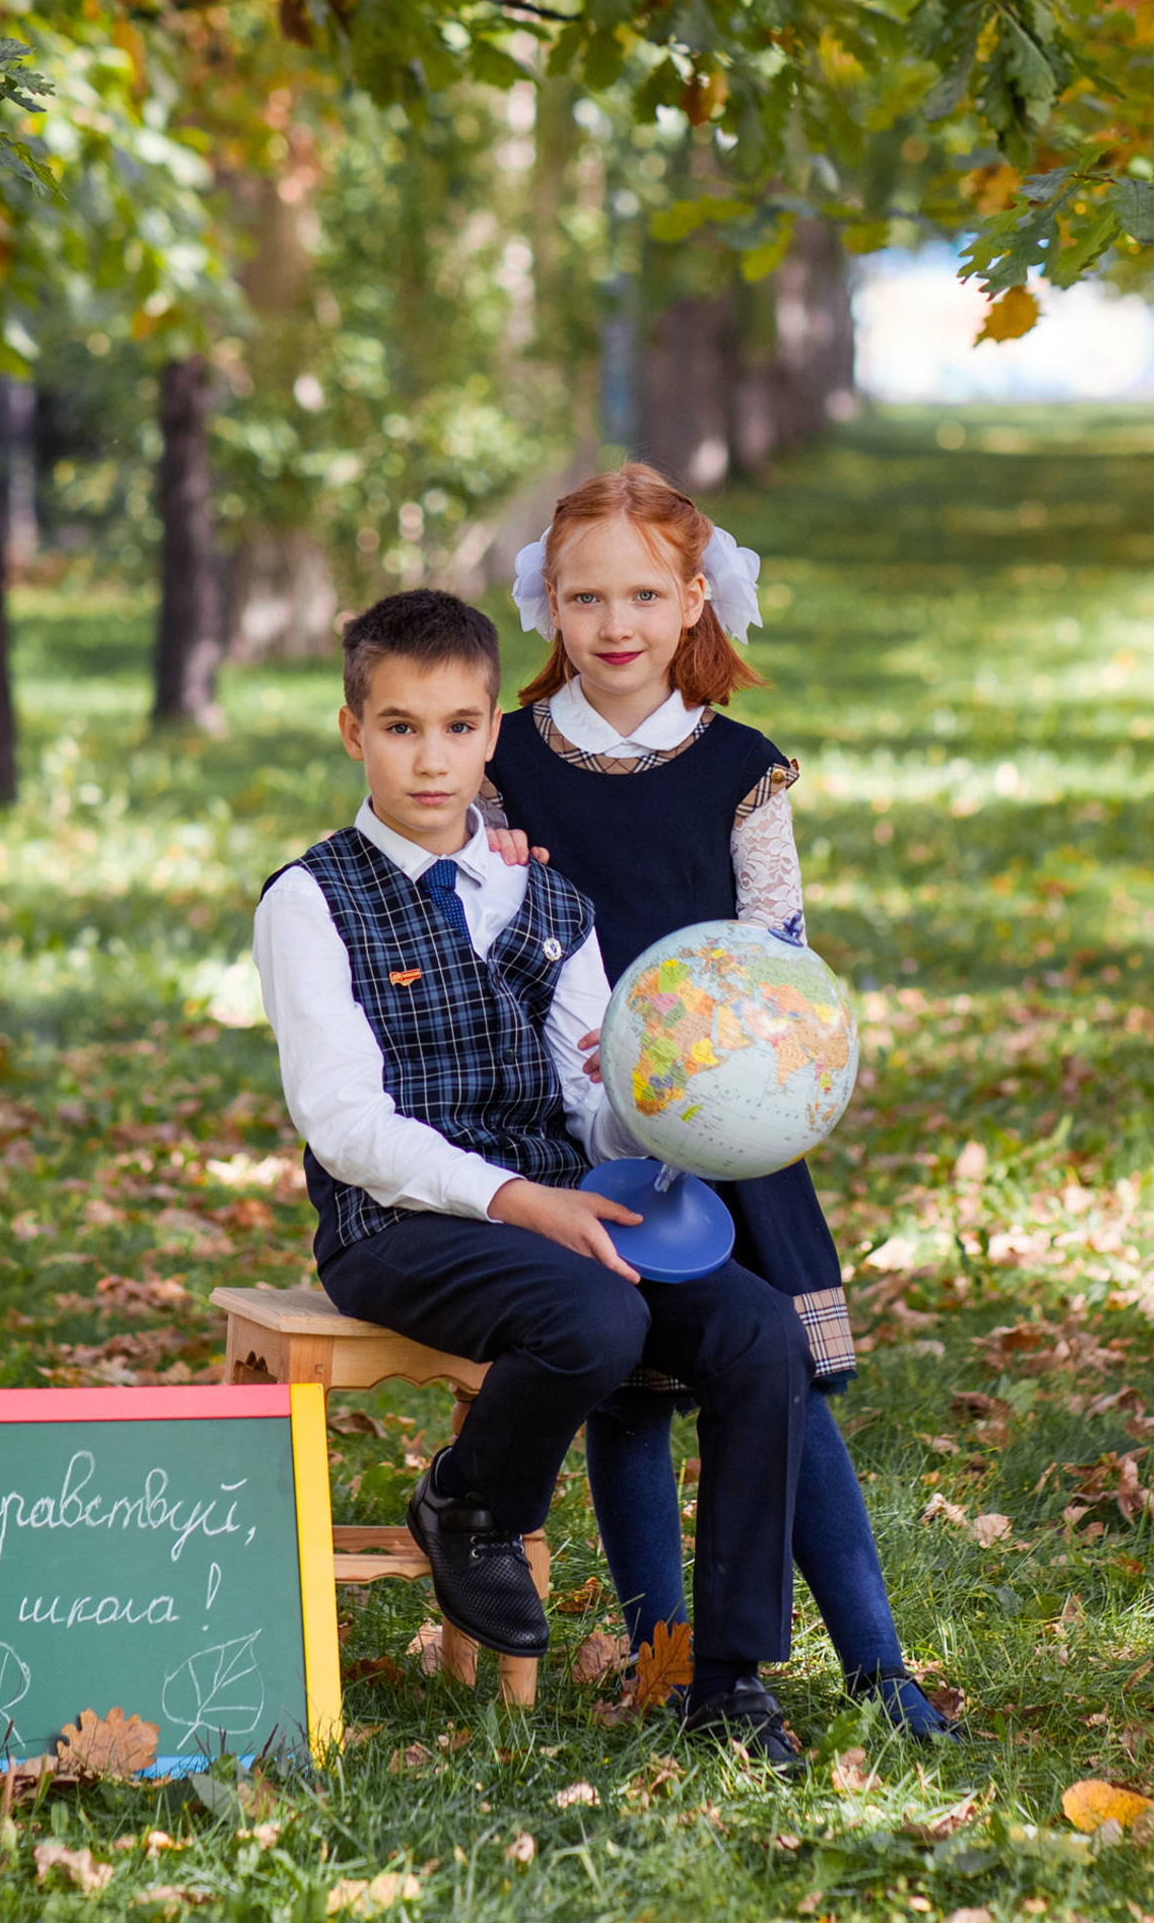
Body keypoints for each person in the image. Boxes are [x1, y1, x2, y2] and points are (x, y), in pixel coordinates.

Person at [251, 586, 811, 1766]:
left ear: (491, 734)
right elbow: (344, 1123)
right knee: (594, 1313)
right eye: (400, 726)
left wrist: (659, 1092)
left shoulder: (543, 894)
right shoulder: (312, 899)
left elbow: (589, 1111)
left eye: (458, 725)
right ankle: (469, 1498)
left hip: (561, 1206)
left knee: (760, 1333)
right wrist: (517, 1200)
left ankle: (729, 1679)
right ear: (352, 731)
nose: (431, 757)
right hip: (400, 1224)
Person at [480, 465, 952, 1737]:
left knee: (779, 1381)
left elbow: (776, 943)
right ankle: (670, 1662)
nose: (615, 621)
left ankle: (878, 1663)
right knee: (627, 1402)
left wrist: (748, 1068)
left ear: (695, 598)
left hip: (726, 1121)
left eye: (644, 591)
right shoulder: (505, 763)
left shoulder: (742, 767)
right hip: (574, 1134)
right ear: (549, 606)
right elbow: (478, 930)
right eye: (587, 596)